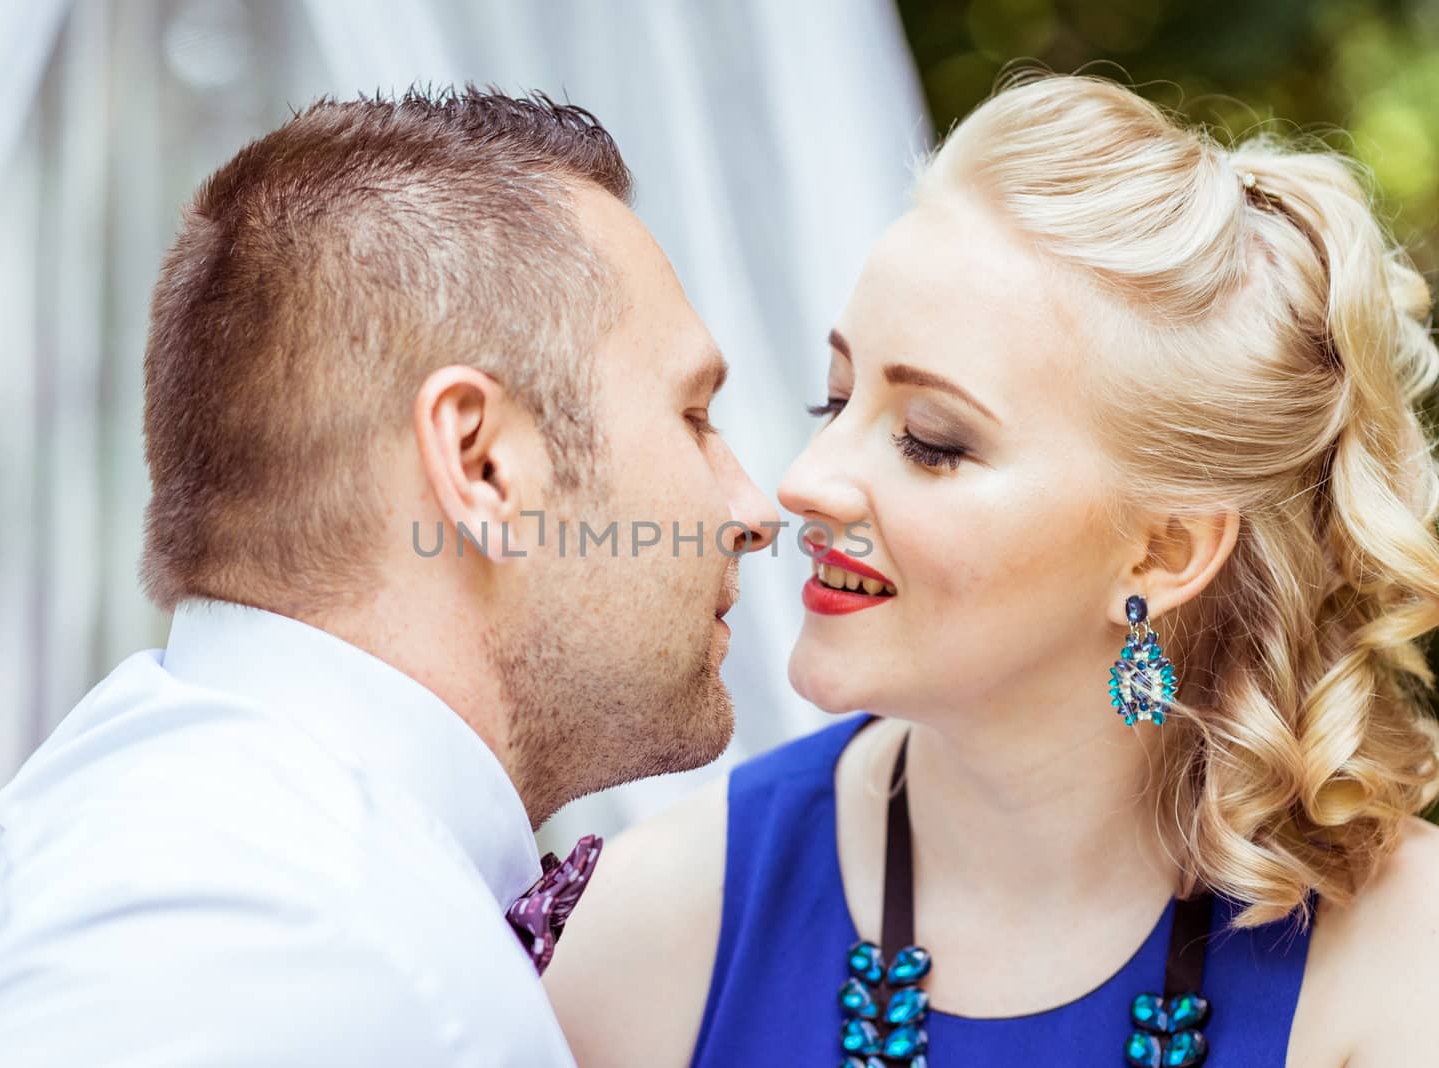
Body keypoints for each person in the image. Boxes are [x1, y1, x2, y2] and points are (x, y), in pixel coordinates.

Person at [0, 86, 777, 1067]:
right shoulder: (296, 949)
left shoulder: (189, 826)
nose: (753, 509)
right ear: (483, 464)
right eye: (694, 416)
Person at [544, 72, 1439, 1067]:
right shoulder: (653, 928)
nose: (805, 483)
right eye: (832, 402)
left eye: (931, 441)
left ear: (1162, 552)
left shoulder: (1405, 961)